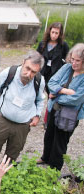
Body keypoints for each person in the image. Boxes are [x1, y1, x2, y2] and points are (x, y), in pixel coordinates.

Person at [0, 51, 45, 176]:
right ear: (23, 62)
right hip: (3, 120)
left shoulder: (39, 81)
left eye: (33, 72)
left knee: (13, 153)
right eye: (27, 69)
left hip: (23, 125)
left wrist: (37, 115)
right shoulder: (9, 73)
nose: (29, 74)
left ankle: (4, 176)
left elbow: (40, 99)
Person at [38, 43, 84, 171]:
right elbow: (52, 82)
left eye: (78, 61)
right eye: (72, 59)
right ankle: (45, 158)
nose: (74, 63)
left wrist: (55, 94)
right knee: (49, 136)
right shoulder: (67, 68)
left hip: (70, 114)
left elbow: (76, 99)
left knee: (60, 143)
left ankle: (54, 169)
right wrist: (64, 91)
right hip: (55, 108)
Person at [37, 22, 69, 126]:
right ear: (49, 32)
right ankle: (33, 115)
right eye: (53, 32)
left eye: (57, 33)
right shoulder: (42, 44)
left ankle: (47, 120)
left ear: (60, 34)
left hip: (55, 75)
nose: (54, 35)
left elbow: (67, 61)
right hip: (42, 73)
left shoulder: (63, 46)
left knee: (52, 96)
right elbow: (36, 57)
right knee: (36, 93)